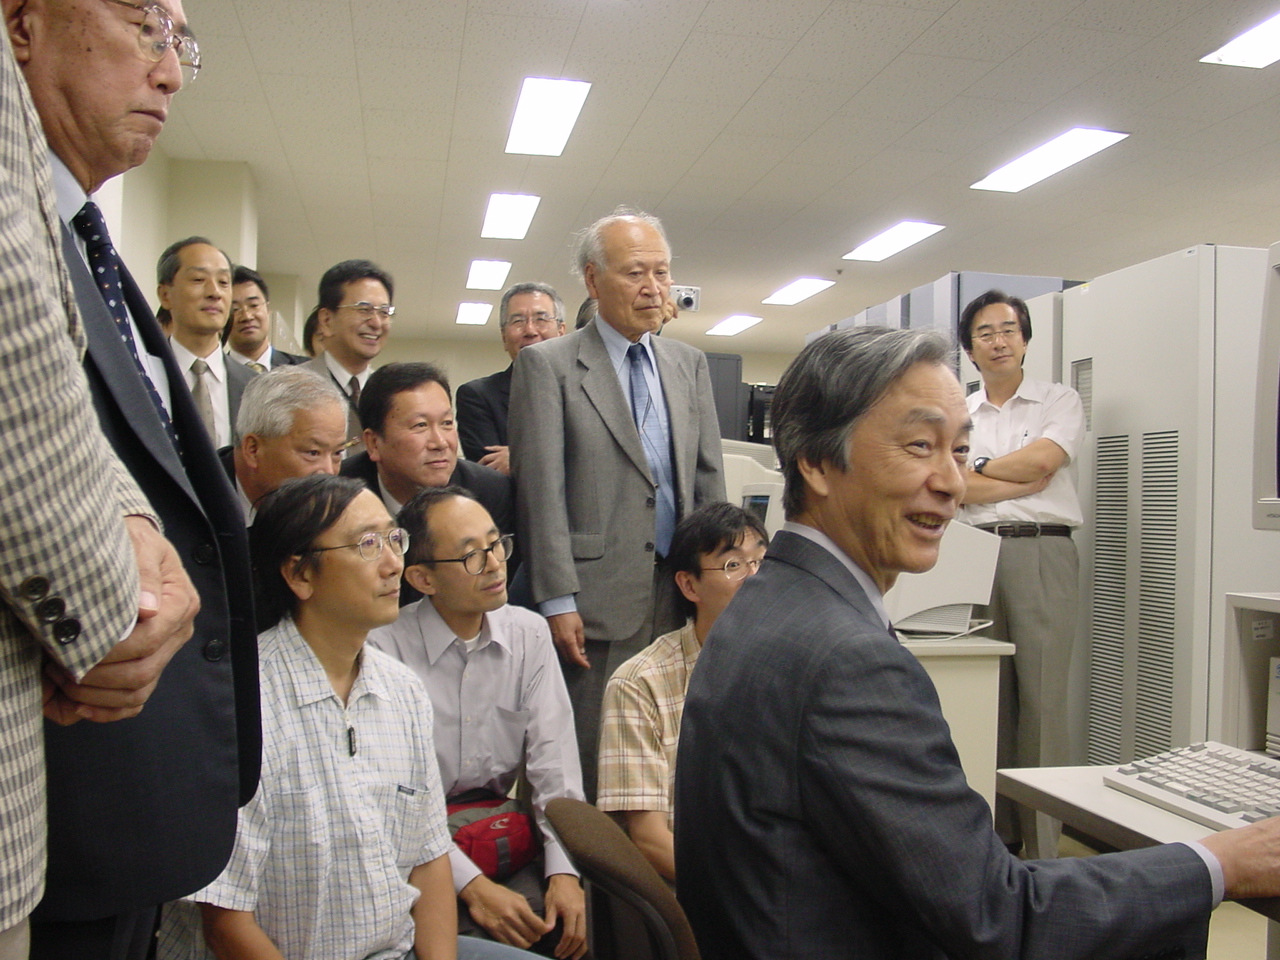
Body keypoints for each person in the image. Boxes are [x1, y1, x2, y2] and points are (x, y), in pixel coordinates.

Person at [674, 325, 1280, 960]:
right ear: (817, 463)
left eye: (960, 451)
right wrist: (1220, 863)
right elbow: (1000, 918)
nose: (952, 483)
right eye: (920, 445)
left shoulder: (763, 604)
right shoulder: (847, 661)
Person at [6, 1, 262, 956]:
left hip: (140, 782)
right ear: (23, 24)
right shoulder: (28, 242)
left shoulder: (87, 248)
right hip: (61, 774)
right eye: (143, 24)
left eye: (180, 43)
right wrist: (110, 609)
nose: (169, 71)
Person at [160, 475, 534, 960]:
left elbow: (429, 860)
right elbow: (226, 922)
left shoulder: (402, 691)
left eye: (394, 539)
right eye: (367, 545)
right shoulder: (242, 706)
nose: (393, 563)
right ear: (300, 575)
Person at [509, 208, 724, 798]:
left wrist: (719, 580)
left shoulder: (687, 365)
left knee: (669, 757)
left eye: (662, 272)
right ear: (593, 279)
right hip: (594, 601)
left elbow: (708, 483)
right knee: (589, 759)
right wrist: (557, 599)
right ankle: (574, 858)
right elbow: (540, 492)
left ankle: (654, 859)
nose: (653, 287)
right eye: (635, 273)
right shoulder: (548, 366)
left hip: (678, 592)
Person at [372, 488, 587, 959]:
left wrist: (564, 871)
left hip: (491, 830)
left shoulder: (528, 633)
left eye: (496, 544)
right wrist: (472, 886)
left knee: (563, 923)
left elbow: (555, 766)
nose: (493, 565)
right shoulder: (384, 649)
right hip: (410, 850)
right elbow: (394, 804)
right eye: (471, 555)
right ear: (422, 578)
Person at [958, 289, 1086, 846]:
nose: (999, 341)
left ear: (1026, 340)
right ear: (970, 350)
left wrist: (982, 468)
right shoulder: (958, 412)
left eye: (1008, 330)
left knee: (1041, 700)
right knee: (989, 696)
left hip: (1040, 551)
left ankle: (1043, 851)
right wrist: (1012, 479)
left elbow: (1046, 460)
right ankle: (998, 839)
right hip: (973, 552)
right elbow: (955, 484)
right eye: (985, 333)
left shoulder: (1058, 400)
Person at [596, 502, 767, 881]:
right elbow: (650, 840)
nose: (754, 577)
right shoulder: (640, 683)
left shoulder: (792, 664)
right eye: (733, 565)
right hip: (700, 884)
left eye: (760, 561)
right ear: (689, 585)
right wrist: (739, 894)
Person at [343, 363, 514, 542]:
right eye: (420, 425)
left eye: (446, 423)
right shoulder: (341, 495)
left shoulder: (489, 492)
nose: (440, 443)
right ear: (373, 443)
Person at [457, 282, 566, 474]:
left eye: (541, 319)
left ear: (561, 331)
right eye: (518, 321)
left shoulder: (585, 389)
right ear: (503, 336)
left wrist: (519, 457)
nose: (530, 330)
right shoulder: (477, 396)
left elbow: (600, 459)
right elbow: (490, 470)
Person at [158, 236, 257, 448]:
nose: (214, 293)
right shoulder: (141, 376)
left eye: (223, 282)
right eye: (198, 279)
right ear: (165, 295)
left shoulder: (256, 387)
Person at [222, 366, 350, 524]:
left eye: (337, 453)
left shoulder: (337, 515)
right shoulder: (197, 511)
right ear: (253, 450)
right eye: (313, 453)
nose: (329, 472)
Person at [303, 259, 394, 443]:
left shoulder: (389, 393)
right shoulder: (289, 388)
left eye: (384, 312)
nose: (376, 323)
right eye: (364, 309)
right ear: (327, 320)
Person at [225, 265, 306, 371]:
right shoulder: (212, 374)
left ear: (267, 309)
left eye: (254, 305)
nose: (247, 316)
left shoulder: (305, 369)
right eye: (235, 309)